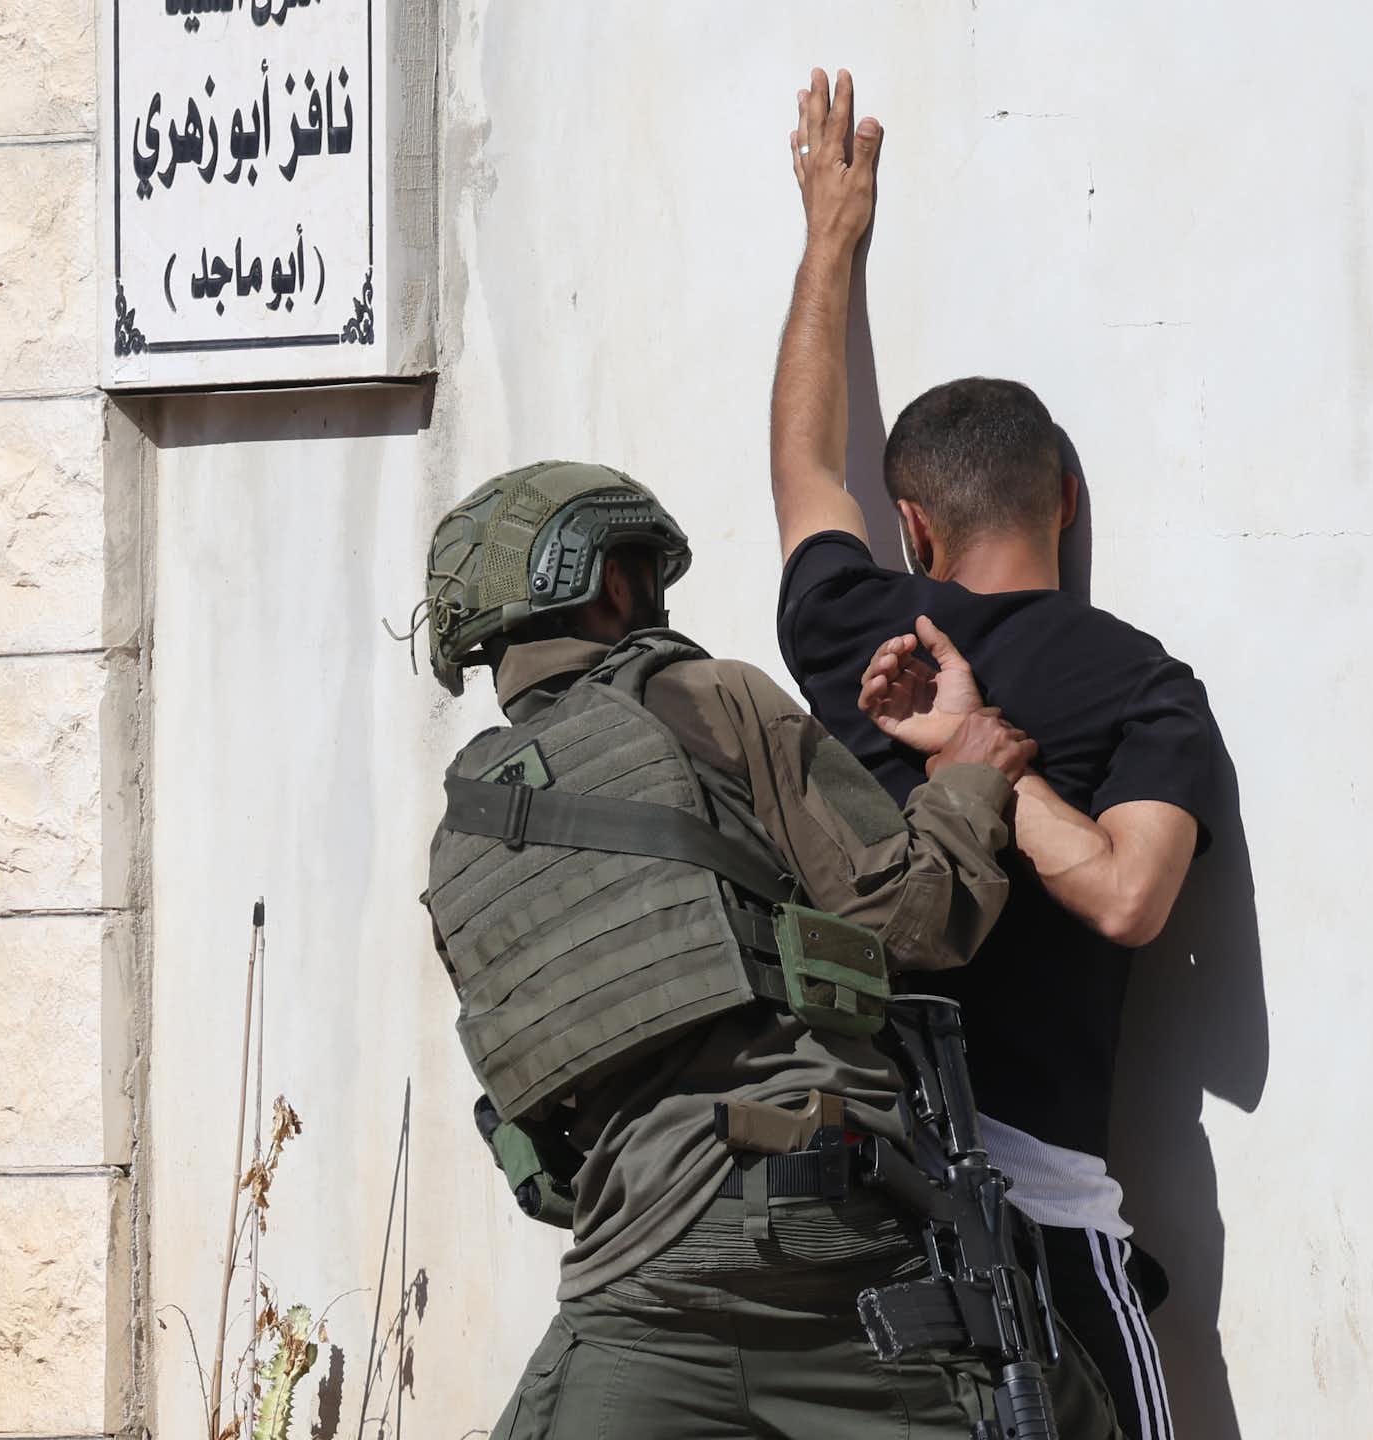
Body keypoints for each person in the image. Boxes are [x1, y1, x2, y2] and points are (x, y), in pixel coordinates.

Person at [417, 460, 1120, 1438]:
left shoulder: (461, 842)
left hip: (636, 1278)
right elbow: (916, 922)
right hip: (823, 1237)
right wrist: (967, 781)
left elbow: (544, 1147)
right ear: (612, 584)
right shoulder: (704, 701)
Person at [767, 69, 1224, 1440]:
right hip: (1042, 1232)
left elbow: (803, 467)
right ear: (1067, 501)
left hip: (871, 1215)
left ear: (912, 528)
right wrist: (997, 762)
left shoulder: (856, 628)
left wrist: (829, 239)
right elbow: (1133, 899)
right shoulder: (1143, 683)